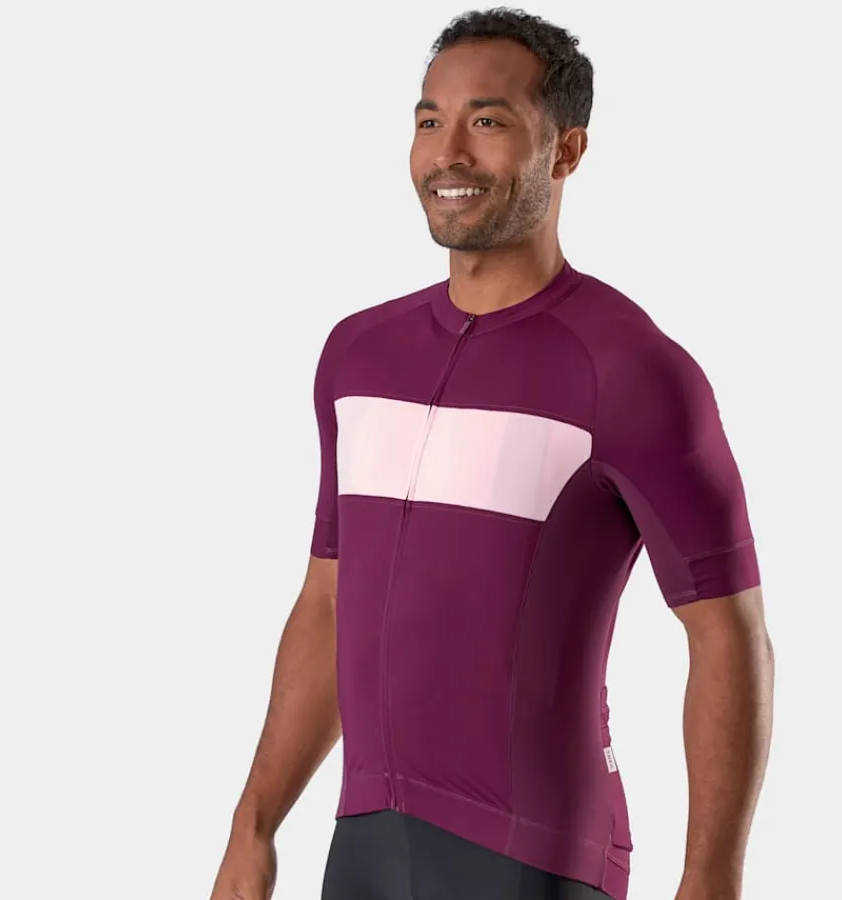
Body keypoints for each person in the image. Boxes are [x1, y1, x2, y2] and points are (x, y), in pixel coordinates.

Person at [209, 9, 774, 900]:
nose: (448, 154)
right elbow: (327, 601)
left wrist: (711, 878)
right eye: (429, 120)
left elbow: (726, 634)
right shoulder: (358, 355)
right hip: (363, 847)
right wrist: (254, 824)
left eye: (487, 121)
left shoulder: (630, 370)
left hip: (535, 857)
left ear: (566, 150)